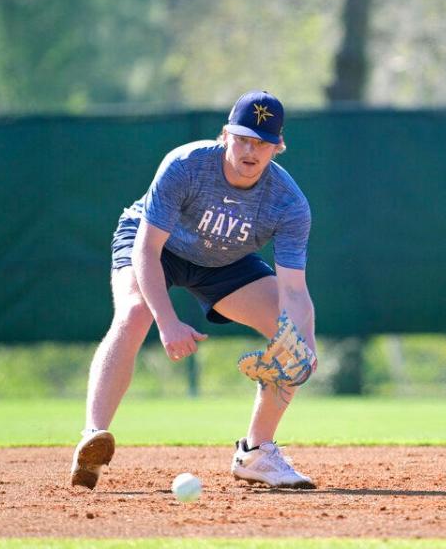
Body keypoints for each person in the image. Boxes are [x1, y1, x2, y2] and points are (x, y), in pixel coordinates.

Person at [70, 90, 319, 490]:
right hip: (158, 246)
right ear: (225, 136)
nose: (250, 150)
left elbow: (294, 290)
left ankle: (256, 453)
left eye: (262, 142)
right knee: (135, 313)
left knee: (289, 338)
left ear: (278, 147)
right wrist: (167, 322)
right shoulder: (186, 165)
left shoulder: (289, 204)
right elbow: (147, 249)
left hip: (224, 262)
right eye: (242, 138)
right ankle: (91, 439)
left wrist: (304, 345)